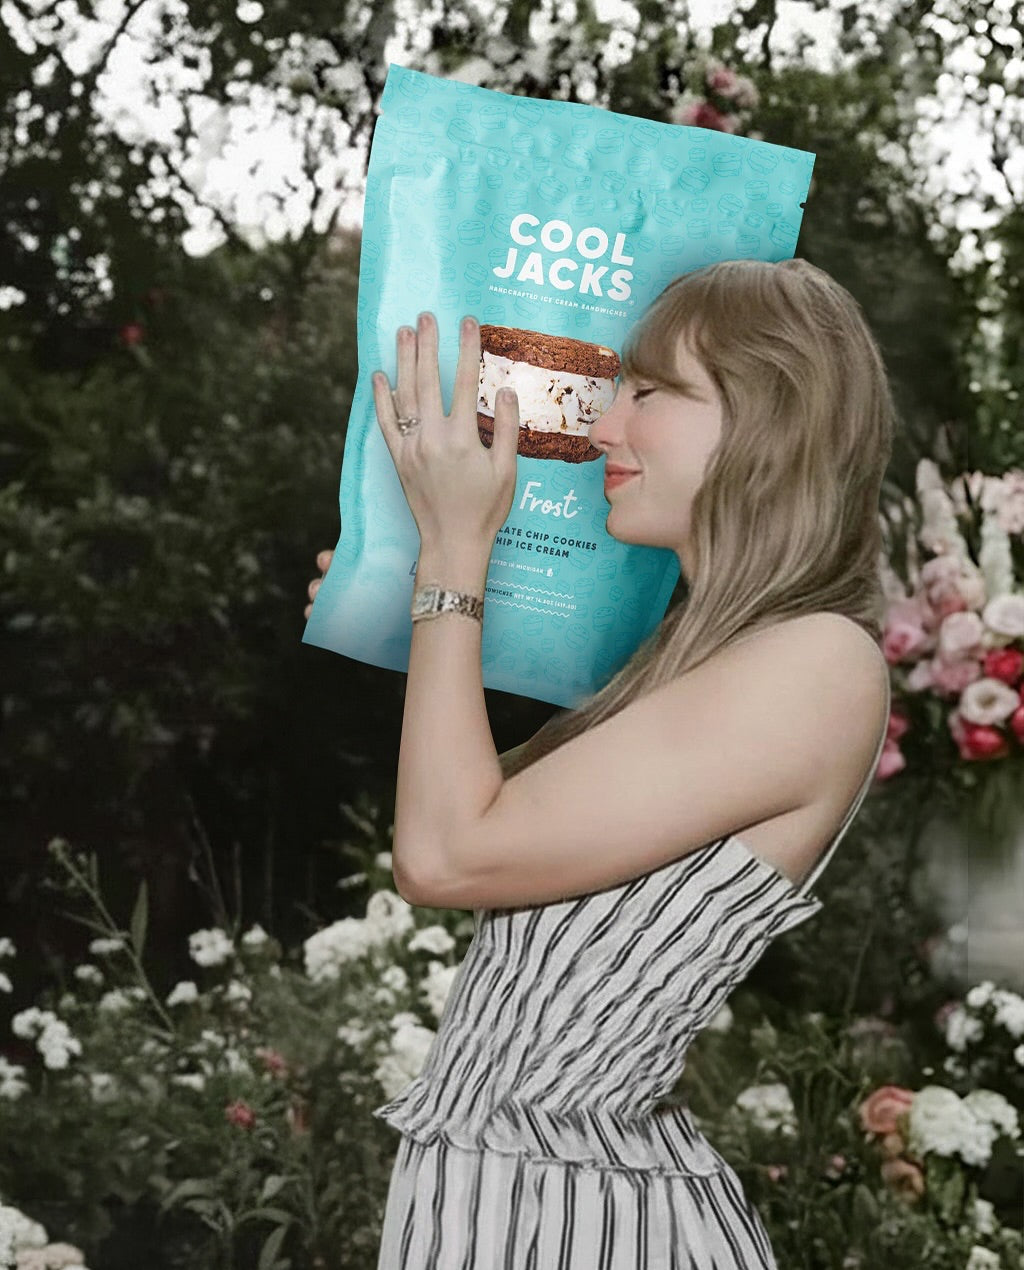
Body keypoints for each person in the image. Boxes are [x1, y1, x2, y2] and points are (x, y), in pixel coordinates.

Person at [305, 257, 893, 1268]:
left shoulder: (817, 662)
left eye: (651, 391)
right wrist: (418, 590)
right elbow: (478, 817)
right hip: (519, 1202)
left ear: (771, 417)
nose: (600, 426)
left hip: (575, 1222)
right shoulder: (702, 660)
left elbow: (446, 855)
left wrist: (454, 558)